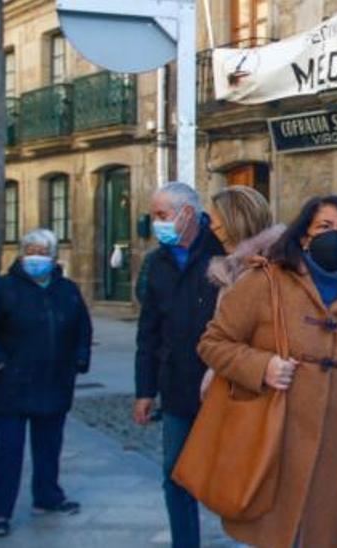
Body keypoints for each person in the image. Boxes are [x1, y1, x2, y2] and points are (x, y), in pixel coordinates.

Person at [198, 195, 337, 547]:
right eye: (324, 227)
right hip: (271, 446)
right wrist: (261, 366)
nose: (335, 235)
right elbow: (212, 342)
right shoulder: (264, 281)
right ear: (304, 236)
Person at [0, 229, 93, 537]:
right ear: (21, 255)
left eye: (43, 251)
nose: (36, 257)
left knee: (49, 446)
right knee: (8, 449)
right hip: (9, 384)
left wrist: (79, 359)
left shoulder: (67, 290)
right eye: (31, 250)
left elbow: (82, 328)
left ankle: (47, 496)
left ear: (53, 256)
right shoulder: (0, 289)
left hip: (53, 381)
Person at [133, 181, 226, 548]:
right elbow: (148, 332)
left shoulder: (222, 254)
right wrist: (144, 390)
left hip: (220, 386)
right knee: (175, 474)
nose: (157, 223)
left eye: (161, 215)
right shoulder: (157, 263)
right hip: (175, 388)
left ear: (187, 213)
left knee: (232, 473)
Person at [200, 186, 285, 397]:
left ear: (233, 219)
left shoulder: (272, 268)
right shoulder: (231, 267)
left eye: (215, 219)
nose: (211, 226)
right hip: (233, 380)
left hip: (264, 387)